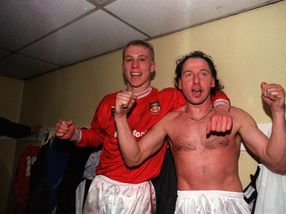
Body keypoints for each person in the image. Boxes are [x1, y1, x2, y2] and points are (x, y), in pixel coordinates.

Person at [54, 40, 232, 213]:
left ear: (152, 66)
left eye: (142, 59)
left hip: (139, 190)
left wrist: (221, 108)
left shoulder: (167, 99)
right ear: (123, 67)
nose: (135, 66)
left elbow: (204, 91)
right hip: (102, 185)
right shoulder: (108, 101)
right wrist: (75, 134)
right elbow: (97, 137)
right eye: (129, 60)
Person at [115, 51, 286, 213]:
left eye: (204, 74)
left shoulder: (235, 117)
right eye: (188, 75)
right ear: (179, 83)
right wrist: (121, 118)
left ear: (213, 81)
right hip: (187, 205)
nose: (196, 81)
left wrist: (277, 111)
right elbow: (133, 158)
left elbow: (279, 163)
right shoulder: (169, 122)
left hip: (229, 204)